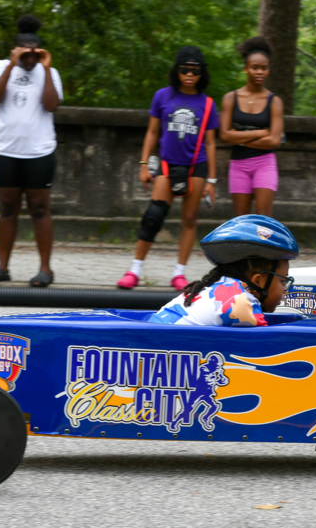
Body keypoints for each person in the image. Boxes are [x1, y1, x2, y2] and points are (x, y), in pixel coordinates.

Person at [117, 46, 219, 291]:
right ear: (177, 71)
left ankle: (179, 273)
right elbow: (152, 132)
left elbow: (211, 142)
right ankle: (135, 269)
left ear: (201, 73)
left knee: (190, 218)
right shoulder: (162, 96)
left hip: (196, 165)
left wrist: (212, 181)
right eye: (184, 69)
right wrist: (144, 164)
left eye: (195, 70)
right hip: (166, 163)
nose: (189, 74)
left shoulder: (207, 103)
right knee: (153, 216)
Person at [0, 15, 63, 287]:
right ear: (14, 51)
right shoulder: (0, 67)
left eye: (34, 54)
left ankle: (45, 269)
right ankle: (2, 267)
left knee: (40, 209)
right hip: (5, 149)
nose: (30, 60)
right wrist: (11, 66)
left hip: (39, 151)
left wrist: (47, 68)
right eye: (24, 53)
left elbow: (51, 105)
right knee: (7, 208)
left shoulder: (48, 72)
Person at [150, 215, 297, 326]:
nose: (284, 290)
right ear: (258, 280)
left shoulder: (218, 287)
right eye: (282, 281)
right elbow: (270, 341)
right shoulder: (241, 302)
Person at [219, 36, 284, 216]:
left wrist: (238, 138)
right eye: (255, 67)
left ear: (269, 71)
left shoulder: (275, 101)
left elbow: (274, 141)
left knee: (263, 222)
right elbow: (224, 136)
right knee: (241, 223)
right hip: (238, 164)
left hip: (265, 164)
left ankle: (264, 246)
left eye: (264, 68)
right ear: (246, 69)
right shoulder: (230, 99)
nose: (259, 72)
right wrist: (261, 132)